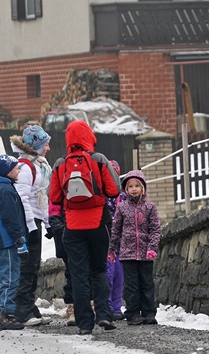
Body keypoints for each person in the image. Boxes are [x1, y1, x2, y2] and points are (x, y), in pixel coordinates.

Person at [49, 120, 120, 335]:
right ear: (89, 136)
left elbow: (54, 196)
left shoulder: (60, 164)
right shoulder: (99, 160)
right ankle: (105, 315)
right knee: (98, 270)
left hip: (72, 226)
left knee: (79, 275)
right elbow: (114, 189)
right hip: (99, 223)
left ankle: (84, 323)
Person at [9, 124, 53, 326]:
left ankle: (29, 305)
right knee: (28, 266)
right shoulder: (26, 168)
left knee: (34, 265)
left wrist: (47, 222)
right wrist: (33, 227)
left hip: (34, 221)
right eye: (46, 145)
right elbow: (23, 199)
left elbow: (39, 198)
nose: (48, 148)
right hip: (28, 223)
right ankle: (22, 311)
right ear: (37, 146)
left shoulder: (34, 165)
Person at [108, 170, 161, 325]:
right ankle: (132, 313)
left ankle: (149, 313)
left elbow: (155, 229)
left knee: (147, 283)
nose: (134, 189)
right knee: (131, 285)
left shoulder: (150, 207)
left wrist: (152, 247)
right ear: (126, 189)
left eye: (137, 185)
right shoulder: (122, 208)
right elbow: (116, 230)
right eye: (130, 186)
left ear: (143, 188)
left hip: (146, 253)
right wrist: (111, 250)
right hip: (127, 253)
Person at [0, 154, 27, 330]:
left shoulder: (2, 187)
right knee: (10, 278)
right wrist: (19, 239)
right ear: (7, 172)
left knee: (6, 276)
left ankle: (0, 316)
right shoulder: (5, 190)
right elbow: (11, 219)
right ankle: (6, 315)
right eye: (15, 168)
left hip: (4, 241)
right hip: (8, 242)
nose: (18, 170)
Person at [47, 201, 76, 326]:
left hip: (81, 230)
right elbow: (53, 211)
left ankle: (86, 307)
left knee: (85, 273)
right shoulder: (58, 190)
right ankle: (72, 308)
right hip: (66, 234)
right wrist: (61, 230)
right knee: (71, 273)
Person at [106, 160, 126, 321]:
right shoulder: (101, 194)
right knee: (107, 274)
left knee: (119, 275)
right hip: (106, 242)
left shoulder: (123, 196)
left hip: (121, 243)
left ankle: (116, 307)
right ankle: (107, 306)